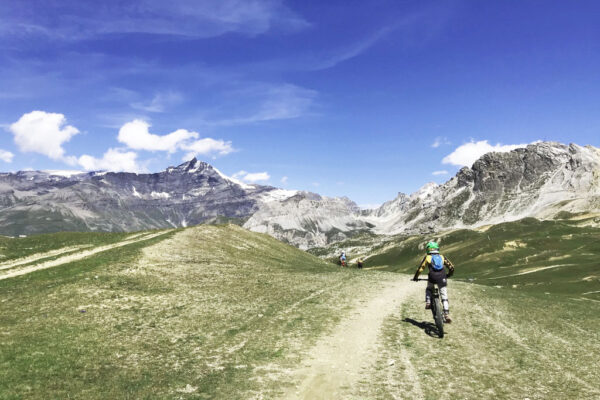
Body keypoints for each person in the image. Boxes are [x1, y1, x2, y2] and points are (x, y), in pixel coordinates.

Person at [412, 241, 455, 323]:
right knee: (444, 296)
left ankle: (428, 302)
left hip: (432, 277)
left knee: (429, 288)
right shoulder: (442, 257)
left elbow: (420, 268)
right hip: (442, 278)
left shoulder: (428, 257)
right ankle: (446, 313)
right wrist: (448, 275)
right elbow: (451, 267)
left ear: (428, 249)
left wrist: (415, 277)